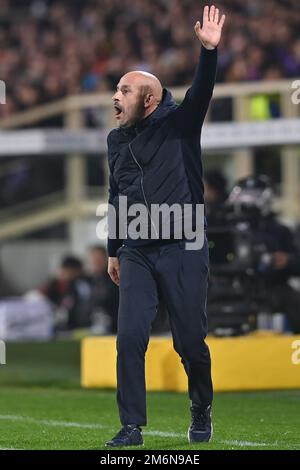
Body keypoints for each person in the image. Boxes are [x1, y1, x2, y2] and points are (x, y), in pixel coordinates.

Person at [105, 5, 226, 447]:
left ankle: (201, 405)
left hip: (184, 245)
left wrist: (208, 52)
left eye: (125, 90)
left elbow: (202, 91)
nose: (115, 97)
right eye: (116, 88)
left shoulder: (180, 123)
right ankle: (132, 426)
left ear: (149, 99)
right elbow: (115, 194)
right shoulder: (115, 140)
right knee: (129, 337)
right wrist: (114, 250)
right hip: (136, 248)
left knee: (190, 343)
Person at [86, 245, 119, 333]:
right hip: (93, 327)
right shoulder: (86, 281)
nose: (96, 262)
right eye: (94, 260)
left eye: (99, 259)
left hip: (115, 327)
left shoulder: (116, 278)